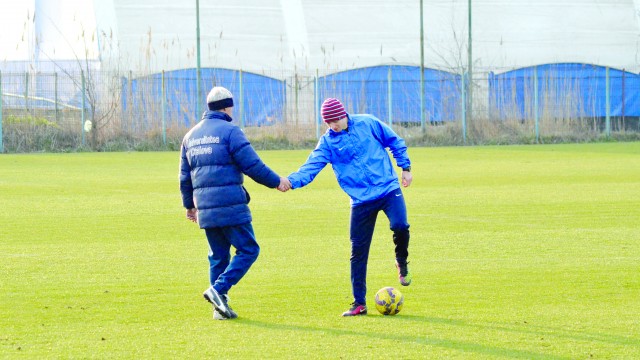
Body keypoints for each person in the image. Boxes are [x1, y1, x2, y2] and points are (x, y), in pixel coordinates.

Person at [279, 98, 413, 317]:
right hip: (360, 200)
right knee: (357, 253)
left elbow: (394, 141)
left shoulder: (368, 123)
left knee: (400, 225)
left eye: (335, 120)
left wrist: (405, 167)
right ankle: (359, 303)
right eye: (328, 122)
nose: (333, 125)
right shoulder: (328, 143)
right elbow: (310, 167)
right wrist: (291, 181)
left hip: (388, 188)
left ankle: (401, 261)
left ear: (344, 114)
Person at [179, 86, 290, 320]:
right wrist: (276, 182)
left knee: (218, 256)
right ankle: (217, 290)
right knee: (249, 249)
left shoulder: (190, 136)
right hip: (230, 206)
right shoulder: (231, 131)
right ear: (228, 106)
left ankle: (219, 308)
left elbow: (184, 176)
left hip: (205, 209)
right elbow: (252, 166)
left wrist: (189, 205)